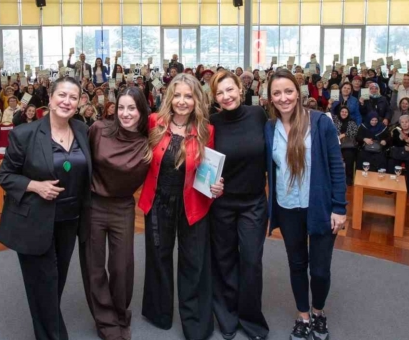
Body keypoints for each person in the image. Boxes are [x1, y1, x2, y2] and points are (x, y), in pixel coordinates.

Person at [0, 76, 91, 340]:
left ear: (79, 103)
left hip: (70, 220)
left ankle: (46, 326)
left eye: (73, 97)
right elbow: (5, 175)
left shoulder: (82, 130)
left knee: (55, 281)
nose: (66, 101)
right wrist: (35, 186)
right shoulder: (25, 134)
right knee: (45, 282)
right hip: (34, 221)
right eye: (62, 95)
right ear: (49, 98)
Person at [264, 68, 346, 340]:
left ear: (298, 93)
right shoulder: (269, 128)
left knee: (320, 270)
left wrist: (340, 208)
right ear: (270, 98)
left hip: (320, 206)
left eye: (288, 91)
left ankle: (318, 311)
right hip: (287, 207)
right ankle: (303, 316)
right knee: (297, 264)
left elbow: (336, 166)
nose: (283, 97)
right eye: (277, 93)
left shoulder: (321, 122)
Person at [138, 73, 218, 340]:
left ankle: (194, 320)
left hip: (192, 204)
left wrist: (218, 185)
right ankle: (158, 313)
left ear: (197, 100)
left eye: (189, 96)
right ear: (170, 97)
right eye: (178, 95)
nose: (182, 101)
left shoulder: (207, 131)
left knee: (193, 262)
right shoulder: (153, 122)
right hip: (158, 202)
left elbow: (210, 171)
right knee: (158, 259)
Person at [80, 87, 150, 340]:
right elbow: (80, 161)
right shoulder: (99, 129)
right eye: (121, 107)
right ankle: (106, 321)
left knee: (122, 267)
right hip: (94, 205)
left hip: (123, 207)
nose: (125, 113)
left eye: (132, 108)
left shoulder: (149, 142)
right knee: (94, 267)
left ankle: (120, 314)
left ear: (141, 110)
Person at [207, 70, 269, 340]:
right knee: (224, 260)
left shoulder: (258, 115)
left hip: (254, 203)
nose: (226, 96)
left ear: (240, 90)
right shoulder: (211, 123)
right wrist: (210, 184)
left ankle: (251, 318)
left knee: (252, 261)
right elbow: (204, 162)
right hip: (222, 204)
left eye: (230, 90)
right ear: (215, 98)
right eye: (220, 93)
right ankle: (227, 315)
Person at [334, 106, 359, 187]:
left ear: (348, 113)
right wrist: (338, 136)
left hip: (348, 145)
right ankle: (335, 178)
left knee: (349, 157)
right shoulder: (335, 121)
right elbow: (331, 131)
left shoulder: (352, 122)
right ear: (339, 112)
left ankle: (349, 178)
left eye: (346, 112)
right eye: (342, 112)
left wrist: (344, 134)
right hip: (336, 144)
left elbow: (355, 132)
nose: (344, 113)